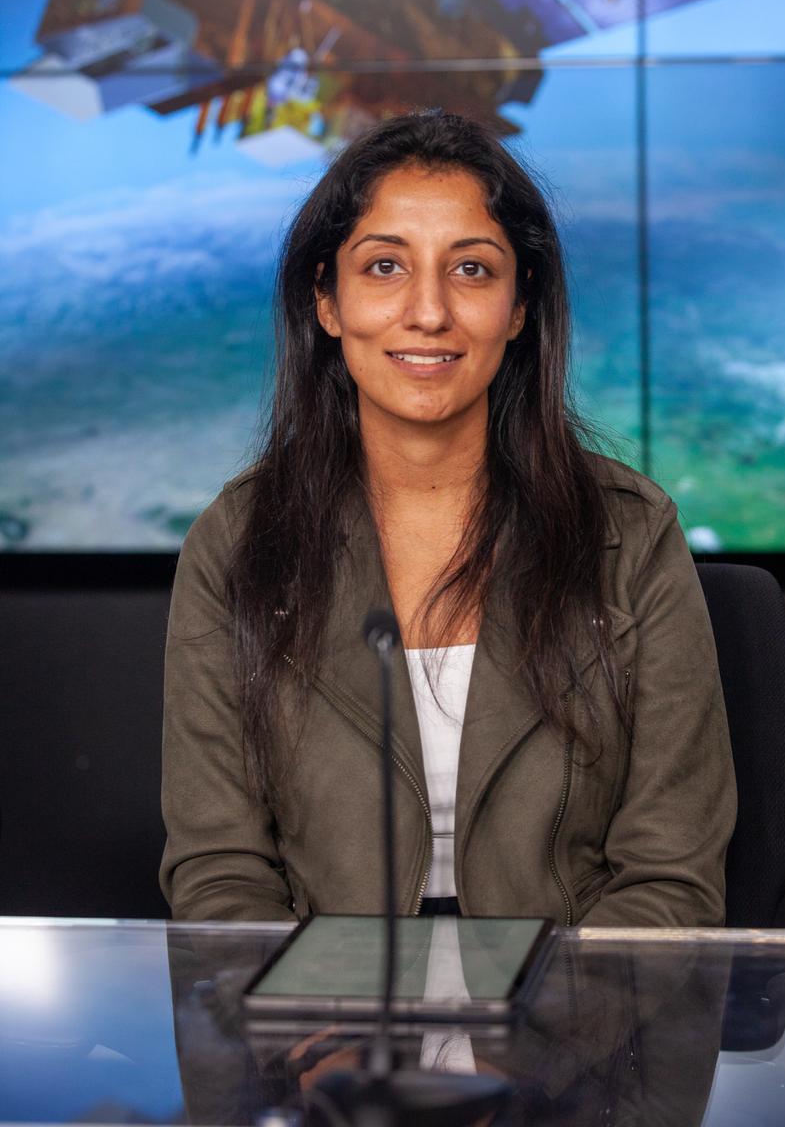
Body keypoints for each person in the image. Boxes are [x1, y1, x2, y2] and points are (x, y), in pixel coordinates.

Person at [160, 111, 736, 926]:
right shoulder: (236, 541)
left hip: (572, 1026)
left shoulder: (632, 536)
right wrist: (310, 1028)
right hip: (325, 1029)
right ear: (326, 300)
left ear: (519, 306)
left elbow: (670, 879)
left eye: (470, 270)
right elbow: (221, 872)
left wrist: (547, 1038)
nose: (427, 312)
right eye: (385, 266)